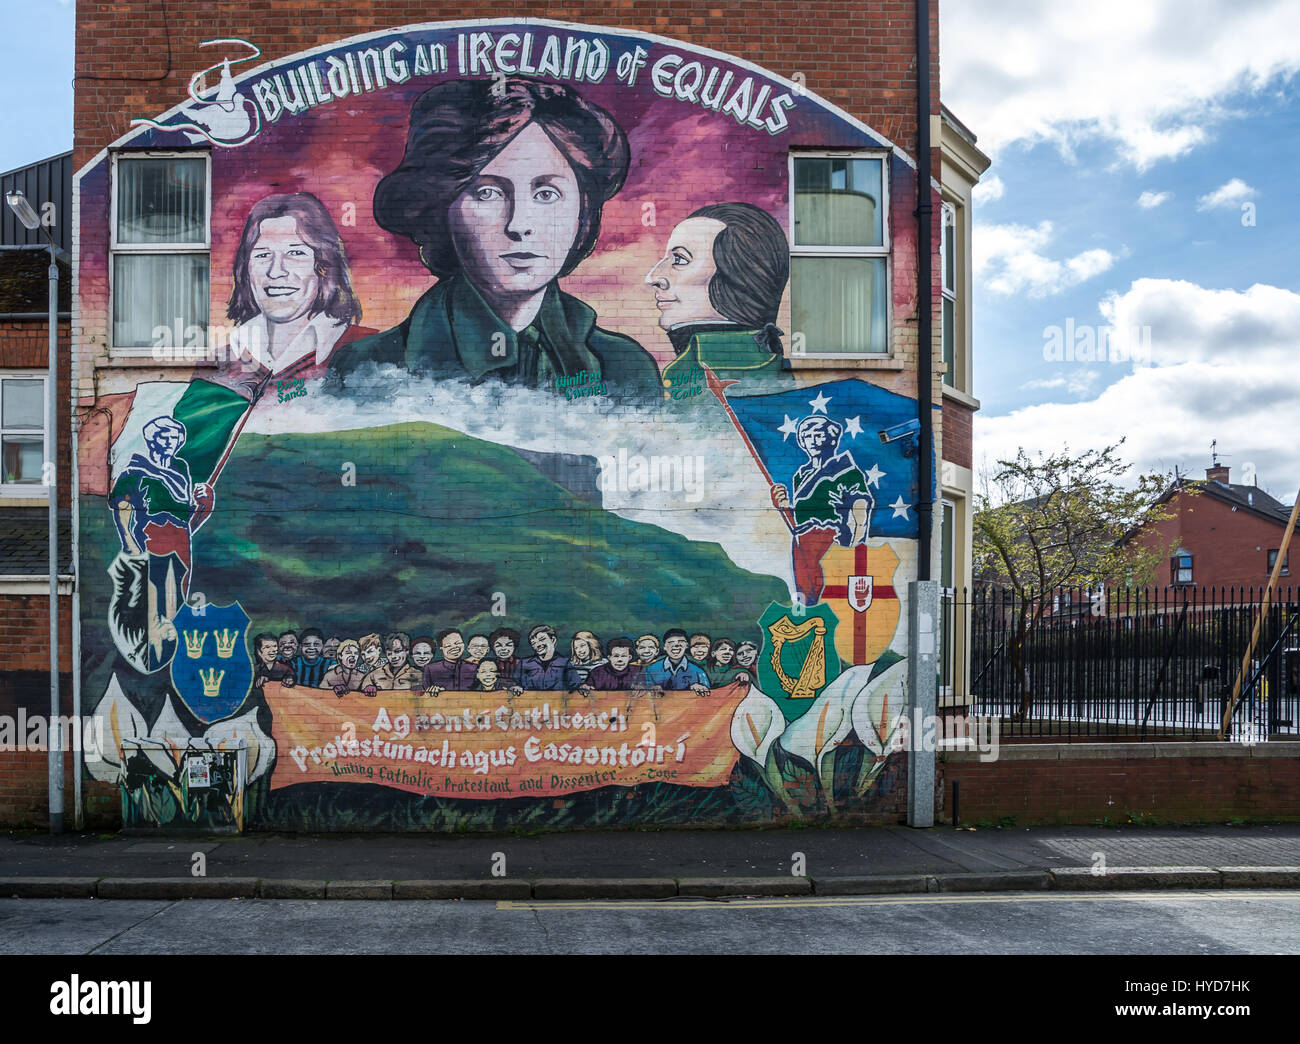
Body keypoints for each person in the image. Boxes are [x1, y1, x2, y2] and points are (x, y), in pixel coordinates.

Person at [329, 78, 660, 400]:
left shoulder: (624, 369)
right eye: (487, 193)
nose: (519, 224)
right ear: (444, 210)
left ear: (581, 212)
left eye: (546, 194)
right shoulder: (367, 369)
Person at [226, 192, 370, 392]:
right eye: (263, 254)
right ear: (246, 269)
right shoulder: (224, 361)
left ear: (324, 266)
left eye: (295, 253)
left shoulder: (368, 350)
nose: (276, 271)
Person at [645, 202, 789, 399]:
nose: (653, 277)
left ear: (739, 276)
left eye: (679, 259)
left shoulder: (708, 372)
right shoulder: (765, 366)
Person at [771, 415, 873, 604]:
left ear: (832, 438)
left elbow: (861, 511)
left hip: (829, 538)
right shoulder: (801, 475)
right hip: (802, 541)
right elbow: (802, 514)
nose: (813, 441)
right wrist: (783, 506)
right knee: (805, 597)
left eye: (818, 435)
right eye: (807, 436)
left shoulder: (846, 470)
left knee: (828, 594)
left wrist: (856, 548)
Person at [642, 628, 711, 695]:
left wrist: (701, 687)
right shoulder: (650, 669)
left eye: (681, 641)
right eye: (671, 642)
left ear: (687, 645)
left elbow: (709, 695)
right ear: (664, 647)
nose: (676, 645)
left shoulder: (698, 672)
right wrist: (649, 688)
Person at [423, 629, 474, 693]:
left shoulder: (473, 668)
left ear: (463, 644)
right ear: (441, 649)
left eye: (457, 643)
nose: (454, 647)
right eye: (448, 645)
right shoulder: (431, 669)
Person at [519, 624, 569, 690]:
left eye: (542, 639)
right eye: (533, 643)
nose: (537, 645)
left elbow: (575, 685)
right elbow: (515, 683)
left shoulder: (565, 663)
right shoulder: (524, 663)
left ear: (553, 640)